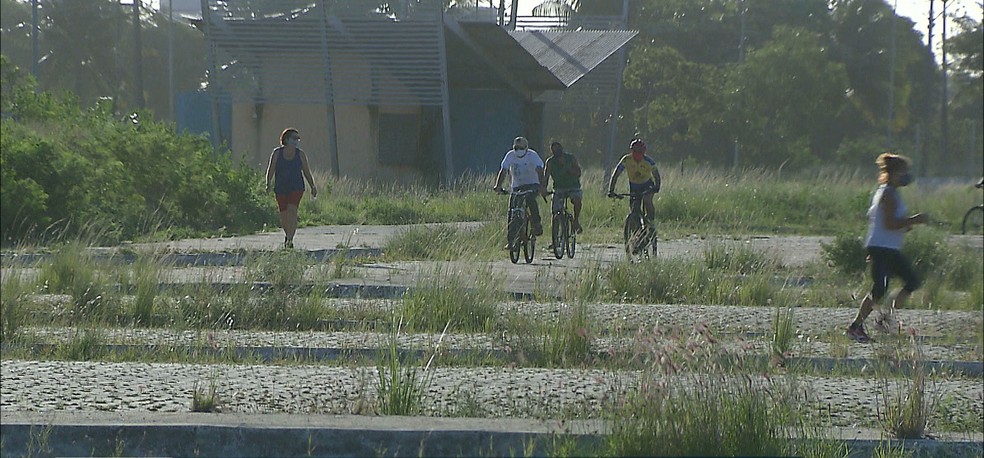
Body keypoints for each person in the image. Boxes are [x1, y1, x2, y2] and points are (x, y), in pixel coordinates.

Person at [846, 153, 928, 343]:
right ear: (893, 174)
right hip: (882, 248)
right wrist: (915, 220)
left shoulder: (892, 193)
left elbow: (883, 222)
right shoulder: (887, 194)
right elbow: (890, 223)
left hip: (888, 247)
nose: (906, 176)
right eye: (903, 172)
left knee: (911, 281)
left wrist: (905, 225)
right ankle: (855, 327)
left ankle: (884, 318)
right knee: (880, 288)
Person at [265, 128, 318, 249]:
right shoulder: (277, 153)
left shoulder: (300, 154)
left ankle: (289, 240)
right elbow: (271, 169)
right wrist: (268, 183)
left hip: (296, 187)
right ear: (286, 139)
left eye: (297, 139)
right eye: (294, 138)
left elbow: (306, 171)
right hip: (281, 187)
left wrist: (312, 186)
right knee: (283, 216)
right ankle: (288, 235)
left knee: (292, 212)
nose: (296, 141)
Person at [493, 136, 544, 237]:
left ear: (526, 148)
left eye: (521, 148)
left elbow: (539, 170)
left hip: (532, 184)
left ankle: (537, 224)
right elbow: (503, 171)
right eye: (516, 148)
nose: (518, 150)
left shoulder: (532, 155)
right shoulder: (510, 155)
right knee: (512, 209)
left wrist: (542, 186)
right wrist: (498, 186)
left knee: (530, 199)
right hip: (517, 186)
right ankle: (511, 239)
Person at [607, 138, 661, 222]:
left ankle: (651, 223)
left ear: (643, 153)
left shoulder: (649, 161)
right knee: (633, 207)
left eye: (639, 152)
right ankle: (635, 225)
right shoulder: (626, 159)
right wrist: (611, 190)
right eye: (634, 151)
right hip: (634, 185)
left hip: (647, 184)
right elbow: (616, 174)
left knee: (647, 200)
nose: (637, 154)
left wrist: (657, 187)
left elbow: (656, 175)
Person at [542, 141, 583, 234]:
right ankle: (555, 238)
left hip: (573, 187)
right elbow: (546, 176)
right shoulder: (550, 162)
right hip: (558, 188)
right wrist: (544, 189)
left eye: (558, 149)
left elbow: (578, 172)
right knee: (555, 212)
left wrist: (570, 170)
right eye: (554, 150)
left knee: (577, 200)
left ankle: (576, 221)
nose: (556, 152)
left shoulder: (571, 158)